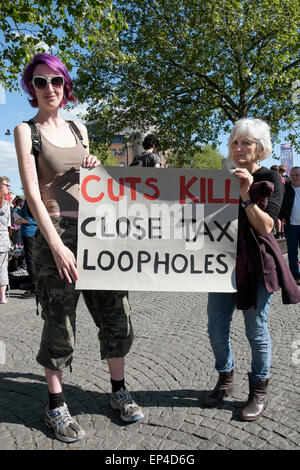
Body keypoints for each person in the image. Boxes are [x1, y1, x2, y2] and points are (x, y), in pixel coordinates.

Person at [14, 53, 143, 443]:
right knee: (60, 322)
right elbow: (32, 193)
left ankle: (118, 390)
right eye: (40, 82)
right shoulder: (26, 130)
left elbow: (95, 182)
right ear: (31, 89)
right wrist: (54, 244)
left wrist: (95, 164)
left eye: (55, 80)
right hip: (56, 235)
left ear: (64, 85)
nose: (49, 88)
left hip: (95, 233)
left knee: (116, 314)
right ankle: (56, 404)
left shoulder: (79, 127)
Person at [204, 118, 300, 421]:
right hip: (222, 263)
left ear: (260, 147)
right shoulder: (222, 177)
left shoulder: (272, 177)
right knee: (215, 327)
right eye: (234, 142)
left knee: (255, 329)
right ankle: (225, 377)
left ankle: (259, 389)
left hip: (257, 264)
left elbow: (267, 226)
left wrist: (245, 194)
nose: (238, 147)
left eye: (245, 142)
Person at [279, 166, 300, 284]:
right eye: (292, 175)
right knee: (292, 252)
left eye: (297, 175)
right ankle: (295, 277)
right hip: (291, 226)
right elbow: (278, 204)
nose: (295, 177)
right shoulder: (285, 189)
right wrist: (282, 217)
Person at [19, 199, 38, 297]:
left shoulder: (31, 198)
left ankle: (35, 288)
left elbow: (29, 219)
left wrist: (16, 219)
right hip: (27, 233)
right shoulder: (27, 199)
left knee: (31, 261)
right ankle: (32, 282)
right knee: (29, 260)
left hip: (30, 232)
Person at [0, 176, 12, 304]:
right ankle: (2, 297)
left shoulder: (6, 203)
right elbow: (9, 225)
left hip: (3, 238)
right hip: (2, 239)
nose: (8, 187)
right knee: (2, 268)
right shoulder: (6, 204)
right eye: (6, 185)